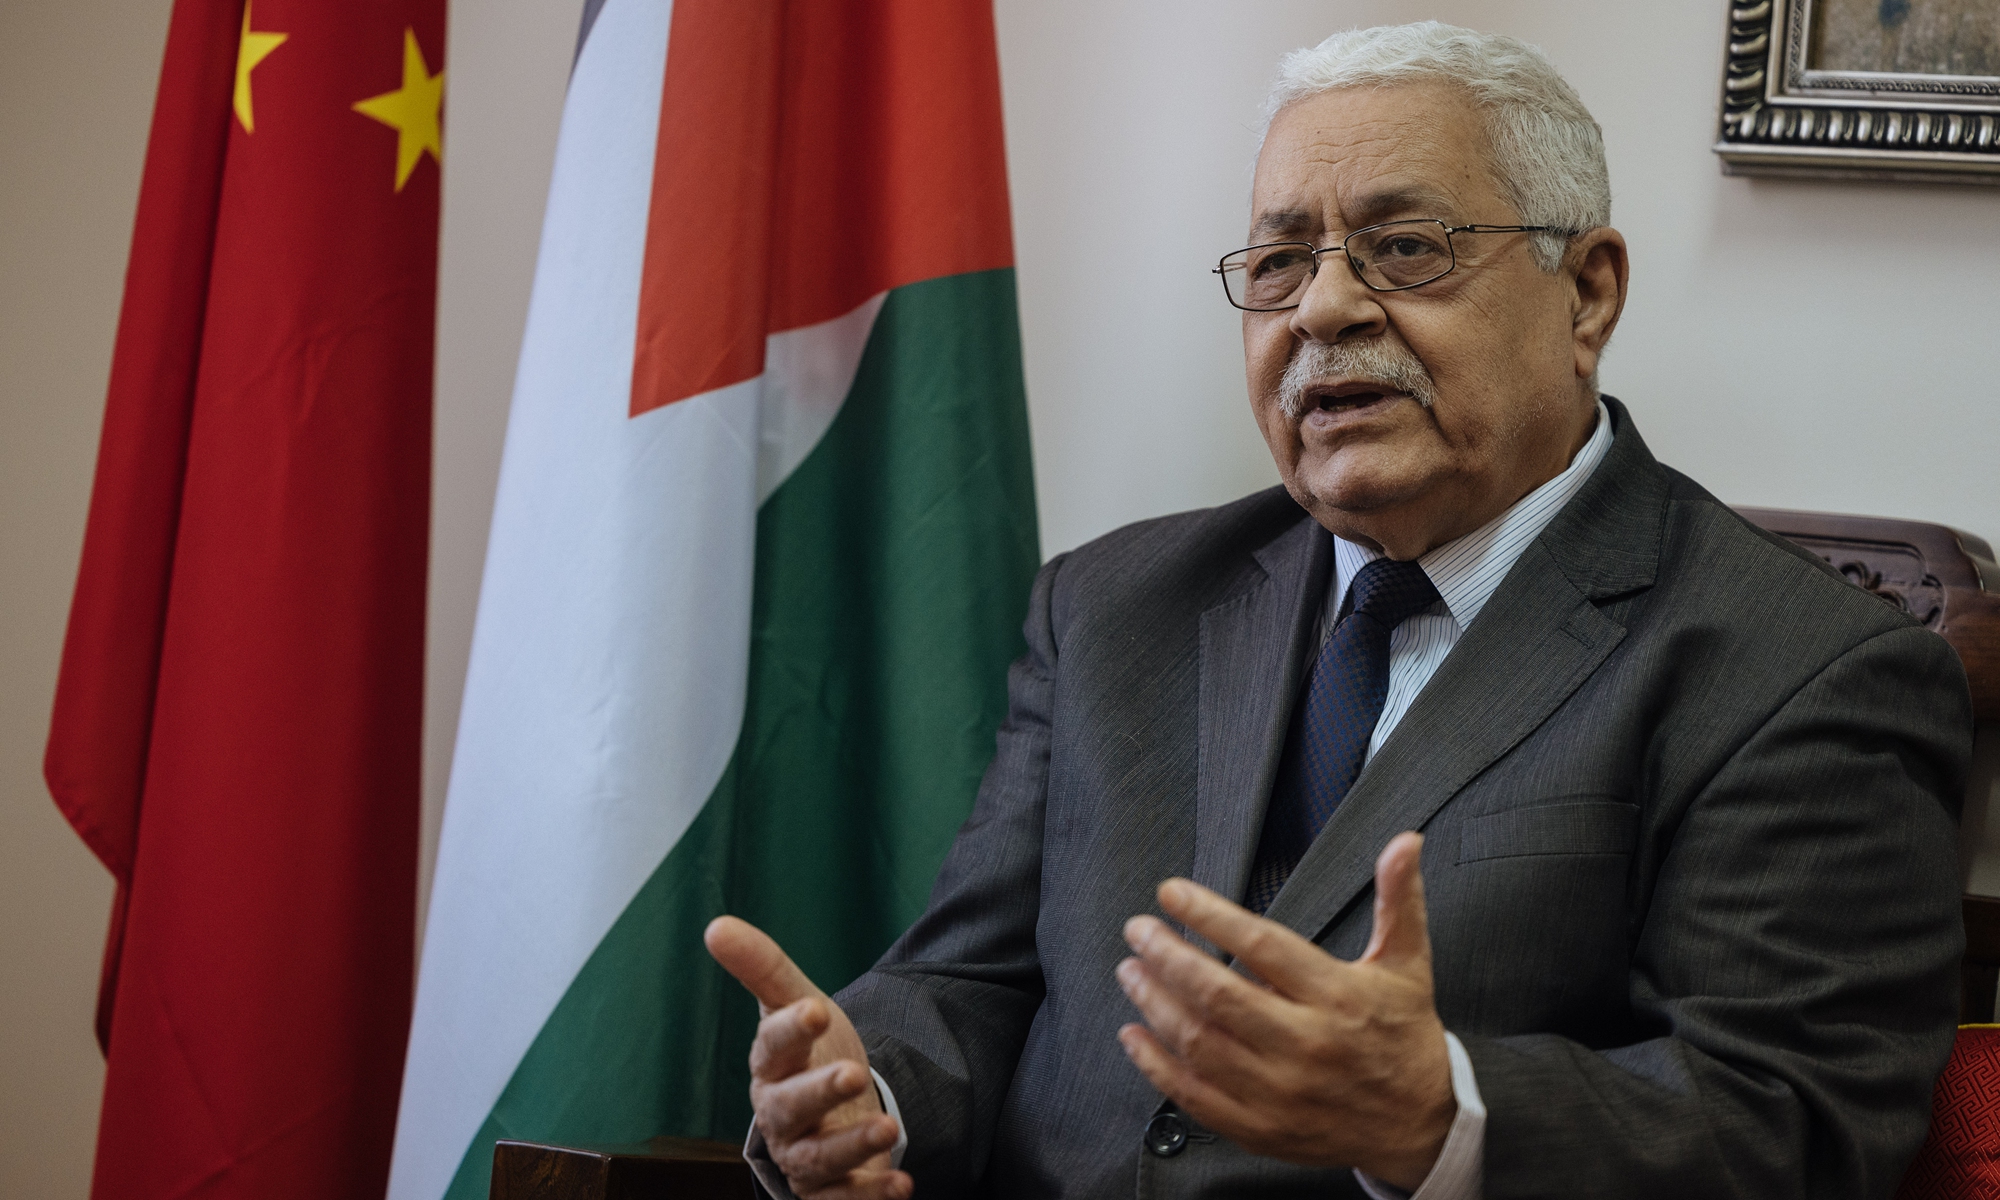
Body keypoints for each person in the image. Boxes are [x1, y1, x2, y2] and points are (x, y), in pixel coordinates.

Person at [705, 21, 1971, 1200]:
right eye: (1275, 263)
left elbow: (1786, 1125)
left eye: (1404, 247)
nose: (1320, 308)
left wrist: (1436, 1114)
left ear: (1584, 292)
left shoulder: (1799, 671)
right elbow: (968, 979)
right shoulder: (1111, 606)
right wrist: (867, 1093)